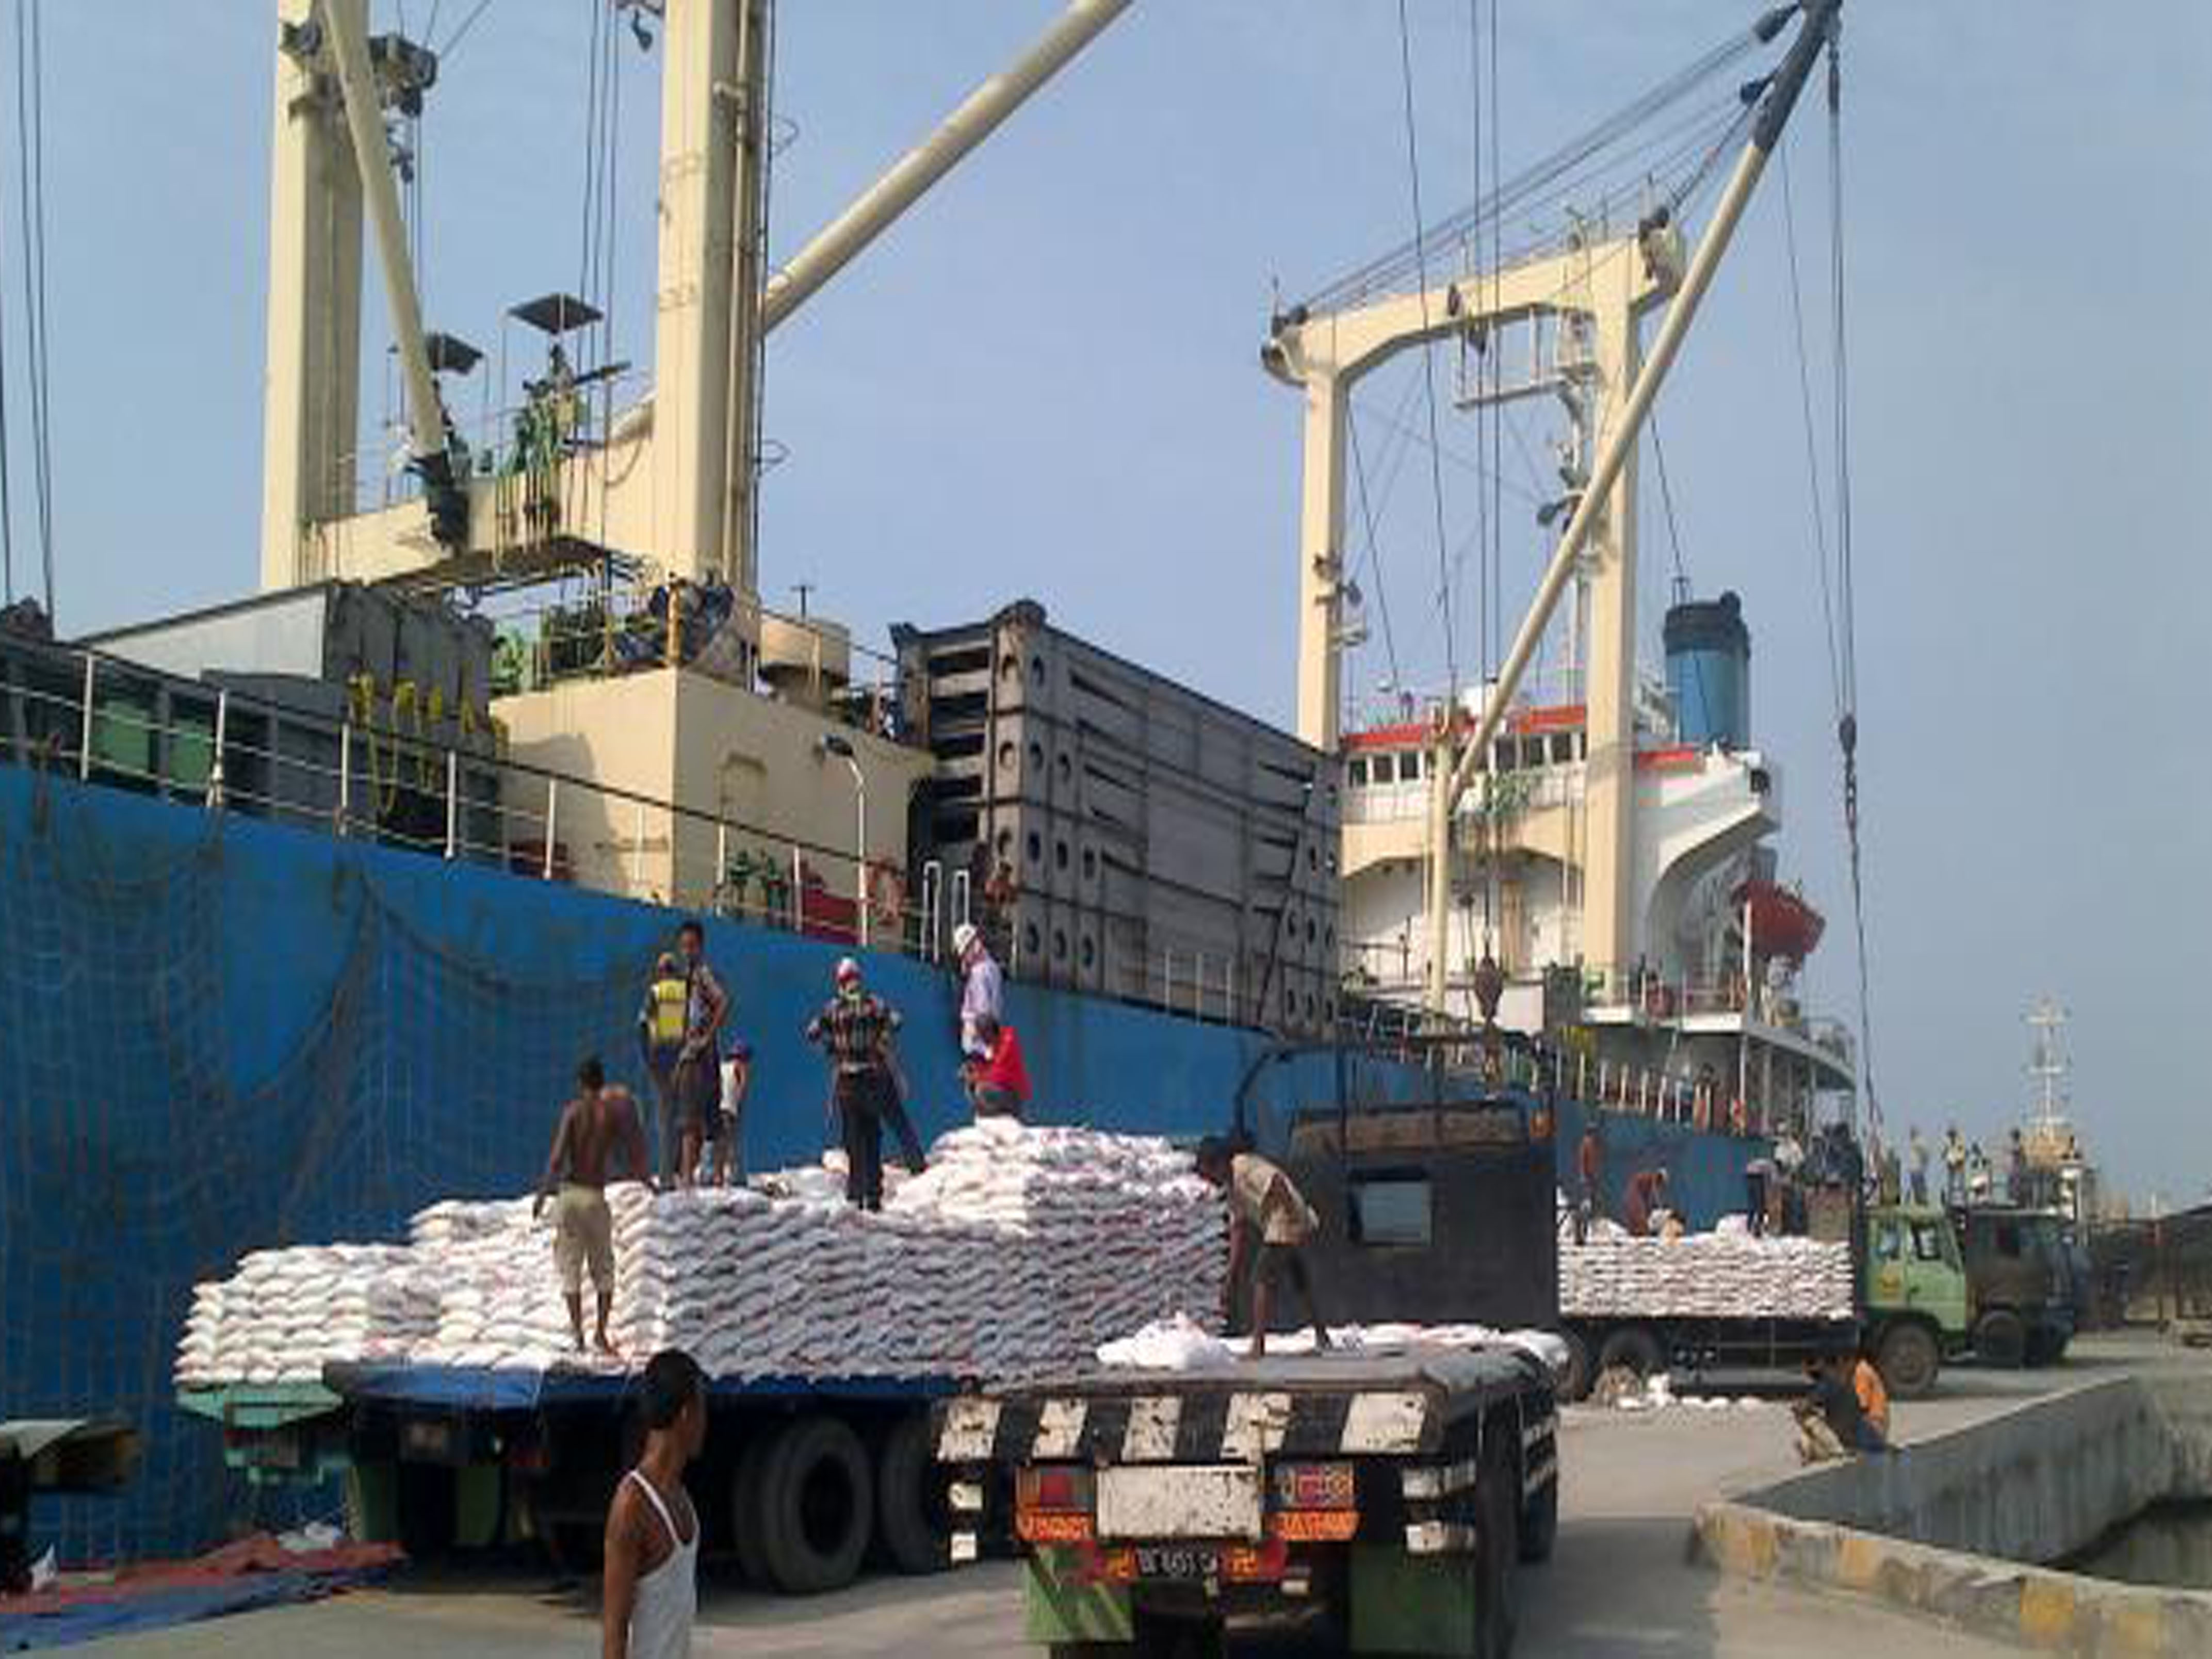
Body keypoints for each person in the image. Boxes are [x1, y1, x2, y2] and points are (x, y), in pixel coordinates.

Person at [533, 1056, 650, 1356]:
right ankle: (600, 1333)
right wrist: (648, 1183)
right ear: (601, 1082)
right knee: (604, 1270)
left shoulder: (572, 1112)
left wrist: (543, 1194)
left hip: (571, 1195)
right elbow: (631, 1153)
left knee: (571, 1269)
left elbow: (557, 1158)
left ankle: (578, 1336)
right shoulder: (609, 1115)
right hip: (596, 1197)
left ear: (580, 1083)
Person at [601, 1348, 705, 1659]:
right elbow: (614, 1633)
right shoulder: (632, 1505)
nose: (706, 1423)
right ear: (686, 1414)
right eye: (703, 1410)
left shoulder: (682, 1500)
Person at [1195, 1137, 1328, 1360]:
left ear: (1219, 1163)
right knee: (1299, 1279)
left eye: (1209, 1173)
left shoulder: (1243, 1167)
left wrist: (1291, 1219)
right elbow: (1238, 1230)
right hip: (1278, 1223)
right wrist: (1230, 1278)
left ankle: (1258, 1346)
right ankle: (1322, 1334)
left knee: (1260, 1278)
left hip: (1285, 1218)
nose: (1209, 1180)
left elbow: (1276, 1181)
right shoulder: (1232, 1187)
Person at [805, 958, 917, 1210]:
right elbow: (896, 1021)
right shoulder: (873, 1003)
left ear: (840, 982)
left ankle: (856, 1194)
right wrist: (880, 1043)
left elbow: (811, 1032)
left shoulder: (832, 1008)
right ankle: (874, 1195)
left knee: (853, 1140)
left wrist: (833, 1047)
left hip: (847, 1081)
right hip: (871, 1078)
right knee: (872, 1137)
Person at [673, 920, 730, 1190]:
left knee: (693, 1121)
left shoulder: (702, 975)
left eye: (692, 946)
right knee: (706, 1120)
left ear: (701, 947)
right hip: (694, 1055)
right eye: (684, 946)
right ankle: (711, 1176)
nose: (687, 951)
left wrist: (706, 1036)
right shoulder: (686, 978)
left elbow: (723, 1001)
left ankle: (690, 1179)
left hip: (699, 1056)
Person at [638, 953, 691, 1189]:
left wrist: (647, 1057)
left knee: (664, 1120)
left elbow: (642, 1024)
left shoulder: (656, 992)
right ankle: (682, 1172)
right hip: (682, 1059)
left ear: (661, 971)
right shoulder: (684, 993)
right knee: (681, 1119)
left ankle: (666, 1178)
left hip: (660, 1060)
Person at [953, 921, 1004, 1065]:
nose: (965, 958)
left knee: (968, 1045)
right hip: (992, 1027)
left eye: (965, 953)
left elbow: (982, 1009)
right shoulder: (992, 967)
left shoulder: (978, 973)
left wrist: (975, 1029)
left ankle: (986, 1051)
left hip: (979, 1034)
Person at [966, 1013, 1031, 1119]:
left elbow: (998, 1072)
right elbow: (991, 1067)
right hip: (1004, 1091)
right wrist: (975, 1069)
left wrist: (977, 1076)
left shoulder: (1008, 1041)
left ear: (989, 1031)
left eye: (983, 1036)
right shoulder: (997, 1043)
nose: (983, 1041)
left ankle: (1007, 1115)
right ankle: (989, 1115)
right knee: (972, 1087)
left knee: (982, 1089)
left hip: (1015, 1096)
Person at [713, 1042, 753, 1187]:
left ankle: (716, 1175)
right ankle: (737, 1177)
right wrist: (738, 1105)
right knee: (733, 1145)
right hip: (730, 1109)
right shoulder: (741, 1067)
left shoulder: (723, 1067)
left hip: (718, 1107)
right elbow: (742, 1088)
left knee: (719, 1144)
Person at [1574, 1122, 1603, 1246]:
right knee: (1586, 1206)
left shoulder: (1589, 1144)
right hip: (1588, 1179)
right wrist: (1589, 1177)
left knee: (1588, 1206)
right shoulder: (1588, 1144)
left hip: (1588, 1178)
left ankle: (1582, 1235)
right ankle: (1580, 1234)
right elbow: (1586, 1162)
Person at [1623, 1166, 1670, 1239]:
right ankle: (1639, 1233)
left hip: (1636, 1198)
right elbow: (1654, 1195)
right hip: (1635, 1199)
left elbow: (1648, 1197)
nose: (1660, 1186)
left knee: (1641, 1215)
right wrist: (1660, 1208)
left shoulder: (1649, 1181)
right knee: (1639, 1216)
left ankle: (1638, 1232)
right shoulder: (1653, 1180)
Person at [1745, 1150, 1776, 1238]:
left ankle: (1749, 1226)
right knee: (1760, 1205)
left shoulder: (1764, 1163)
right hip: (1757, 1177)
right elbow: (1774, 1181)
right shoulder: (1772, 1166)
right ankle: (1758, 1227)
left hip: (1749, 1176)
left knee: (1753, 1204)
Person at [1944, 1125, 1968, 1203]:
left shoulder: (1960, 1141)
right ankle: (1950, 1200)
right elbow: (1946, 1153)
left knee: (1961, 1184)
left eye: (1952, 1134)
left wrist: (1960, 1161)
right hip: (1951, 1165)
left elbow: (1963, 1152)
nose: (1951, 1136)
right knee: (1951, 1184)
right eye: (1950, 1135)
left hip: (1959, 1164)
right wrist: (1945, 1156)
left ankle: (1964, 1200)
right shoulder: (1947, 1142)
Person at [1908, 1127, 1930, 1205]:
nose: (1910, 1135)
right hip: (1914, 1168)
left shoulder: (1919, 1142)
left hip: (1918, 1168)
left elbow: (1926, 1153)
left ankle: (1922, 1200)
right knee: (1915, 1186)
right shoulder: (1913, 1142)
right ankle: (1918, 1200)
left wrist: (1924, 1163)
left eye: (1912, 1133)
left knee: (1919, 1185)